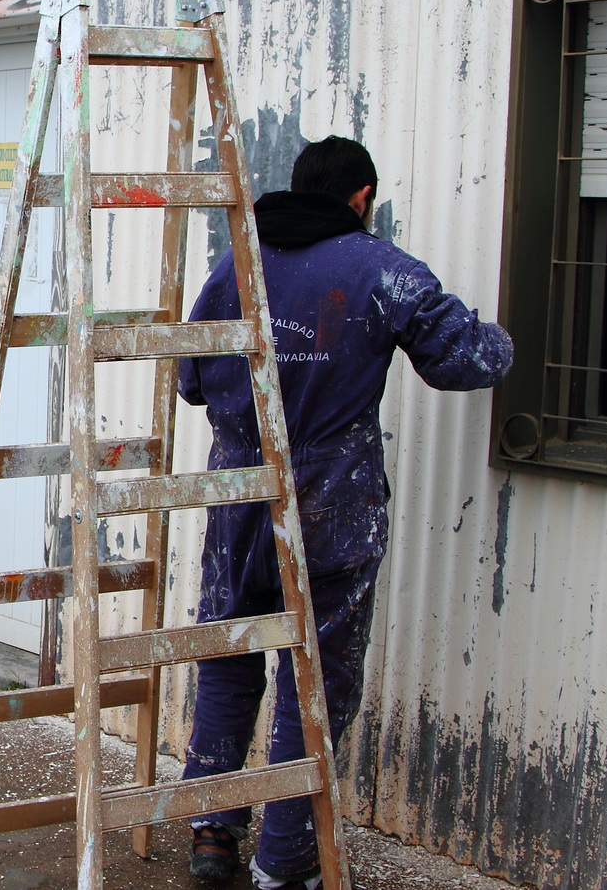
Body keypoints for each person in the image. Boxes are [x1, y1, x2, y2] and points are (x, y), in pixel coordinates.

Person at [178, 137, 513, 890]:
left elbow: (190, 380)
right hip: (331, 502)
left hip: (238, 495)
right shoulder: (381, 270)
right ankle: (283, 859)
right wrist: (506, 337)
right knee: (315, 677)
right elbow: (465, 359)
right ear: (360, 197)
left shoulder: (235, 265)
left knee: (230, 647)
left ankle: (212, 832)